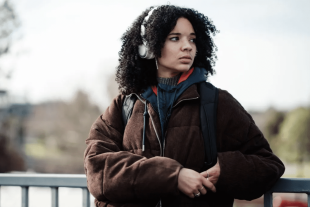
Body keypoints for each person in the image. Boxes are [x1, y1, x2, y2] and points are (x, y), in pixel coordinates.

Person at [84, 5, 285, 207]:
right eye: (175, 38)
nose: (187, 46)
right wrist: (173, 176)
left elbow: (268, 164)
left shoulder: (218, 102)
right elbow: (96, 169)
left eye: (192, 39)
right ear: (148, 46)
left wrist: (225, 170)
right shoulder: (125, 103)